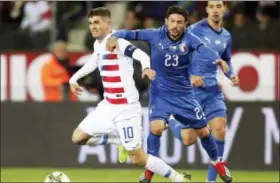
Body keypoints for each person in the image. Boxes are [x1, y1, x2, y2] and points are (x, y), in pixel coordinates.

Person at [107, 5, 232, 183]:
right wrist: (114, 36)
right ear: (166, 22)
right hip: (160, 94)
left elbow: (203, 48)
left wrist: (217, 59)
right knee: (155, 128)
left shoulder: (189, 38)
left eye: (179, 22)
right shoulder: (154, 34)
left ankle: (217, 163)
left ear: (185, 24)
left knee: (204, 132)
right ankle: (149, 171)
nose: (175, 25)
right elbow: (130, 33)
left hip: (184, 95)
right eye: (172, 21)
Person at [69, 7, 190, 182]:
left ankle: (178, 178)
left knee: (138, 159)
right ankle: (118, 140)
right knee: (78, 138)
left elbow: (140, 55)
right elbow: (94, 61)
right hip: (108, 106)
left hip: (126, 110)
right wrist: (75, 78)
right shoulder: (98, 44)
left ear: (108, 24)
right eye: (90, 23)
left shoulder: (118, 40)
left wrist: (146, 67)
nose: (92, 27)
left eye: (97, 22)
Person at [167, 1, 240, 182]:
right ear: (206, 9)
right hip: (191, 92)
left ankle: (211, 180)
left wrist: (231, 74)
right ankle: (171, 120)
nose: (215, 10)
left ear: (225, 9)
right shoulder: (194, 30)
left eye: (218, 6)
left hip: (213, 91)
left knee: (220, 130)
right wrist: (190, 75)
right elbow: (177, 54)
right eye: (211, 6)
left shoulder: (226, 36)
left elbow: (226, 59)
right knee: (188, 140)